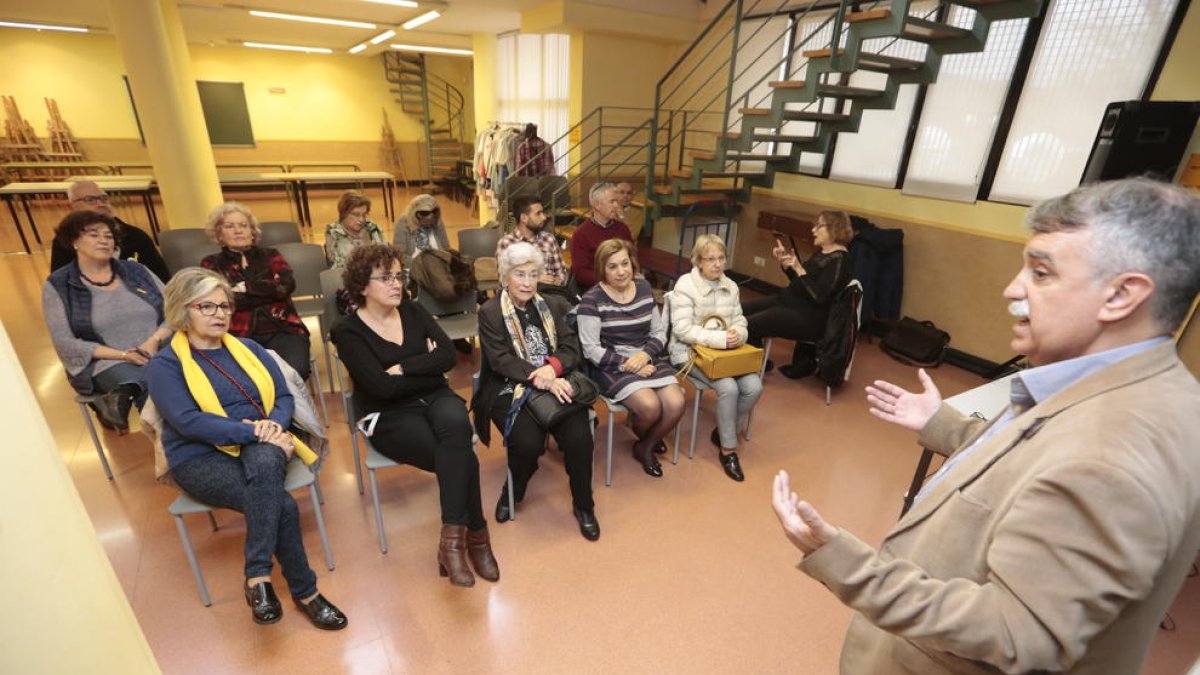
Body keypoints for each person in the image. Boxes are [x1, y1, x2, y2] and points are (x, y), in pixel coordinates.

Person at [771, 178, 1200, 675]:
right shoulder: (1134, 387)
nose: (1012, 289)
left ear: (1122, 295)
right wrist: (945, 426)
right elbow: (1039, 468)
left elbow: (1014, 632)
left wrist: (842, 561)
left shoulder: (1113, 453)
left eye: (1040, 273)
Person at [146, 267, 346, 630]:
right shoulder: (165, 365)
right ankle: (306, 593)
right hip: (200, 456)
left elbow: (283, 397)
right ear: (181, 309)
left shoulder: (251, 349)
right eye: (206, 306)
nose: (219, 314)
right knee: (282, 504)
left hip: (260, 443)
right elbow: (188, 422)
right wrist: (257, 431)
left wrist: (273, 425)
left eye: (224, 306)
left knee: (269, 462)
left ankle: (258, 579)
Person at [331, 243, 499, 587]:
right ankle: (476, 537)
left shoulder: (413, 311)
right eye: (386, 278)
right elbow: (379, 389)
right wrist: (426, 370)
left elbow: (449, 357)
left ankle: (452, 545)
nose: (396, 284)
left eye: (399, 275)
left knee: (454, 425)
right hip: (387, 414)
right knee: (459, 455)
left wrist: (404, 367)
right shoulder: (346, 331)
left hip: (436, 396)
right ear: (362, 286)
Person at [473, 242, 599, 541]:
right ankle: (512, 492)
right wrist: (539, 376)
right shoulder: (490, 313)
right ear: (505, 277)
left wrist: (552, 369)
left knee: (580, 438)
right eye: (520, 274)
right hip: (509, 387)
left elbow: (572, 348)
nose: (527, 282)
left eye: (533, 274)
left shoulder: (554, 305)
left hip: (555, 380)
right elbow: (500, 360)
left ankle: (584, 506)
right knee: (527, 444)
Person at [43, 211, 173, 432]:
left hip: (160, 350)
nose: (103, 240)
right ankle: (180, 453)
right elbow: (65, 342)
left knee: (162, 377)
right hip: (107, 362)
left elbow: (174, 312)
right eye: (94, 234)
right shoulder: (58, 285)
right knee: (157, 384)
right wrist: (123, 355)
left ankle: (124, 393)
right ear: (74, 241)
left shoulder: (137, 271)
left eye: (108, 236)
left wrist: (153, 340)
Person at [578, 239, 684, 478]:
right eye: (612, 266)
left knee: (676, 404)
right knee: (650, 407)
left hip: (646, 355)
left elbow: (658, 333)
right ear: (602, 270)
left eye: (625, 263)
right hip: (610, 364)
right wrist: (630, 365)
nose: (621, 271)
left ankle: (644, 445)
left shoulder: (644, 288)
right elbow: (591, 350)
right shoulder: (592, 300)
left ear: (632, 263)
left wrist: (645, 355)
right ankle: (650, 437)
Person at [667, 234, 762, 482]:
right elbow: (682, 330)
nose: (717, 264)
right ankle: (728, 450)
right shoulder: (686, 284)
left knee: (754, 386)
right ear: (698, 261)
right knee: (728, 387)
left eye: (721, 258)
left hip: (724, 355)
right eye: (710, 259)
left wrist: (738, 334)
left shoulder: (731, 286)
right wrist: (720, 338)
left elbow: (740, 320)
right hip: (688, 352)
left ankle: (723, 431)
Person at [200, 202, 312, 382]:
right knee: (248, 379)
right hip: (238, 334)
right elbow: (225, 300)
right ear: (219, 233)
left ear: (252, 231)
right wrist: (269, 291)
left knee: (294, 371)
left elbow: (286, 286)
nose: (238, 231)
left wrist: (244, 288)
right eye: (230, 226)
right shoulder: (211, 263)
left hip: (283, 328)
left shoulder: (271, 255)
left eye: (243, 225)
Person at [743, 209, 852, 377]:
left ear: (834, 228)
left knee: (747, 324)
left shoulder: (840, 261)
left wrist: (799, 268)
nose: (813, 230)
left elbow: (819, 297)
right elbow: (801, 282)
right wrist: (787, 265)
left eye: (819, 226)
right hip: (793, 303)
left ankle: (751, 365)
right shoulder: (824, 252)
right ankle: (755, 361)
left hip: (810, 318)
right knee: (741, 310)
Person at [49, 180, 169, 282]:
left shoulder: (135, 236)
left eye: (103, 198)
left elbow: (162, 277)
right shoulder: (66, 240)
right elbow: (61, 283)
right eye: (90, 200)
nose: (100, 204)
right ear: (72, 206)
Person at [496, 195, 572, 298]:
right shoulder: (506, 243)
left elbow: (562, 275)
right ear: (524, 218)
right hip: (520, 299)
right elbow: (503, 282)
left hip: (550, 295)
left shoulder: (549, 239)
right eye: (538, 214)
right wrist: (534, 279)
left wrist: (556, 281)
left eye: (543, 212)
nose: (544, 217)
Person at [569, 182, 632, 290]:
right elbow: (580, 273)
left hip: (623, 283)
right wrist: (609, 280)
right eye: (612, 201)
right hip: (596, 288)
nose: (616, 205)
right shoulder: (581, 234)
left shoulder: (623, 229)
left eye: (616, 201)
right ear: (597, 205)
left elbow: (632, 259)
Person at [323, 190, 384, 268]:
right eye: (356, 214)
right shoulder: (334, 233)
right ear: (344, 213)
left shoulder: (373, 229)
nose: (361, 220)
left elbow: (385, 258)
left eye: (364, 215)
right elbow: (339, 267)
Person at [394, 194, 451, 271]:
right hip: (414, 268)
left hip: (438, 268)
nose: (428, 224)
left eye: (430, 223)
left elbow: (446, 249)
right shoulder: (404, 222)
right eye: (424, 222)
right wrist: (423, 265)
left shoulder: (437, 221)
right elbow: (399, 256)